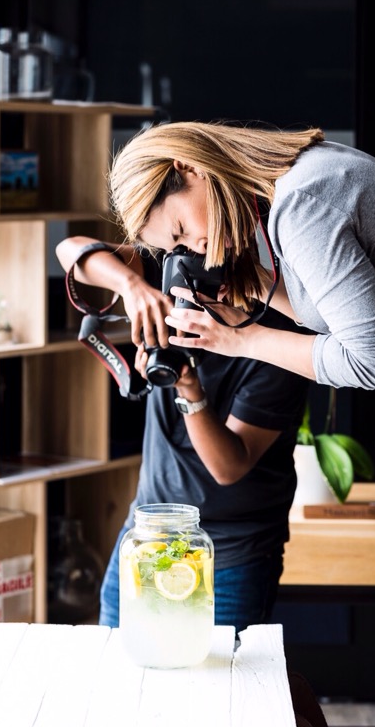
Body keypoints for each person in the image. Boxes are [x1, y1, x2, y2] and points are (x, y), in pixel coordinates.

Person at [106, 120, 375, 723]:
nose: (193, 246)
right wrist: (248, 300)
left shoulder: (302, 202)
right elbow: (331, 313)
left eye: (180, 230)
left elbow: (374, 361)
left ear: (189, 169)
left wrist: (241, 340)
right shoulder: (295, 186)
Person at [55, 234, 310, 633]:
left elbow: (228, 466)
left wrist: (188, 390)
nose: (194, 302)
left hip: (229, 553)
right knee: (116, 664)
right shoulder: (175, 275)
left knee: (217, 672)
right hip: (147, 533)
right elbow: (69, 251)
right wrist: (133, 287)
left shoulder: (276, 340)